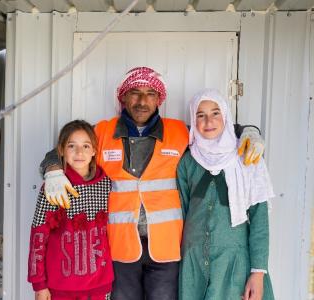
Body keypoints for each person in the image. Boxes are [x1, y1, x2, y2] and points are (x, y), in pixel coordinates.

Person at [40, 67, 265, 300]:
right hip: (120, 247)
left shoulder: (178, 131)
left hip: (166, 248)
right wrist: (52, 169)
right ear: (123, 97)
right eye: (135, 93)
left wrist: (250, 131)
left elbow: (216, 132)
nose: (142, 101)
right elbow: (67, 148)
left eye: (150, 94)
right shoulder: (103, 132)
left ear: (159, 100)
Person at [177, 88, 274, 300]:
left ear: (226, 116)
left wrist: (257, 273)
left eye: (215, 113)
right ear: (193, 121)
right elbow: (181, 213)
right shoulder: (187, 162)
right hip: (193, 266)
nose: (208, 121)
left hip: (234, 267)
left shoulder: (247, 158)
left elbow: (260, 222)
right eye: (200, 115)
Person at [27, 120, 113, 300]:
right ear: (61, 151)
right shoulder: (54, 187)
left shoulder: (106, 184)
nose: (79, 152)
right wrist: (39, 285)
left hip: (99, 285)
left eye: (86, 146)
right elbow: (38, 237)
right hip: (60, 286)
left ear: (94, 150)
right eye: (72, 146)